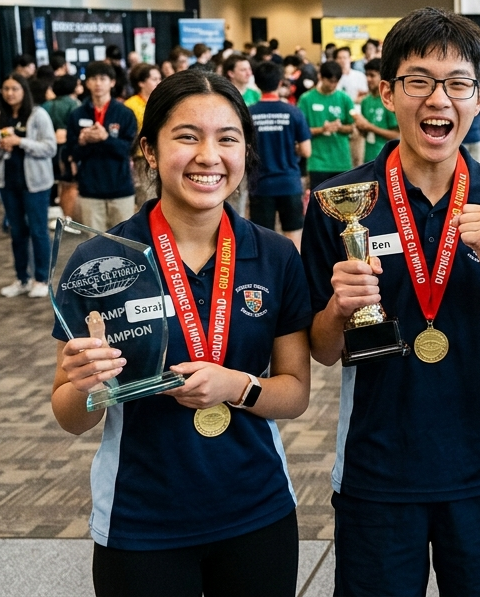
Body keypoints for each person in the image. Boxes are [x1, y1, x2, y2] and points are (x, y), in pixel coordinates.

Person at [301, 8, 480, 596]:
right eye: (419, 81)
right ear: (386, 92)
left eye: (458, 83)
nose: (439, 99)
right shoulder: (338, 201)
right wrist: (337, 308)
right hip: (376, 468)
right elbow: (324, 352)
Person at [51, 69, 313, 597]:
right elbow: (70, 418)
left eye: (227, 138)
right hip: (141, 518)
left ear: (245, 153)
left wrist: (235, 386)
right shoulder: (101, 260)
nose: (208, 156)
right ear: (149, 150)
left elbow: (295, 393)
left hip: (256, 509)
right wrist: (82, 386)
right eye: (187, 136)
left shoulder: (276, 255)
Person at [0, 77, 55, 299]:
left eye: (15, 88)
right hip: (8, 184)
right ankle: (22, 279)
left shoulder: (38, 115)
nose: (10, 93)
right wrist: (1, 146)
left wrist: (21, 142)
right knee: (17, 233)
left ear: (24, 91)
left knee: (38, 231)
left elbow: (50, 147)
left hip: (36, 184)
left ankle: (42, 279)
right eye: (5, 88)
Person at [66, 62, 138, 232]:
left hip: (120, 188)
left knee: (124, 242)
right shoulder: (77, 114)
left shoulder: (124, 113)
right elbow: (72, 153)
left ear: (112, 82)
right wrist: (83, 141)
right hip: (90, 190)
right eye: (93, 79)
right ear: (87, 83)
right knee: (95, 245)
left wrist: (105, 138)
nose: (98, 83)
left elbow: (130, 150)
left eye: (103, 79)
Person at [248, 62, 312, 249]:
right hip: (289, 183)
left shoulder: (249, 113)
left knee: (262, 239)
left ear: (257, 83)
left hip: (260, 185)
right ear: (279, 83)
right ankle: (294, 277)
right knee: (293, 238)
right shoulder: (293, 112)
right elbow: (307, 150)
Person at [297, 61, 356, 190]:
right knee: (318, 205)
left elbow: (352, 127)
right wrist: (322, 129)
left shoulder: (344, 98)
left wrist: (339, 127)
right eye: (330, 81)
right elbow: (301, 131)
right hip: (318, 162)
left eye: (336, 82)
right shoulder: (306, 99)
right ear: (321, 77)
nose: (332, 85)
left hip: (342, 161)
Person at [45, 76, 82, 221]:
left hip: (49, 149)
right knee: (69, 184)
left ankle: (55, 213)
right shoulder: (74, 105)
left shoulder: (47, 105)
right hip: (67, 149)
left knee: (55, 182)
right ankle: (67, 218)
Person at [126, 64, 162, 206]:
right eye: (154, 79)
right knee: (147, 197)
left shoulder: (160, 102)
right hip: (141, 159)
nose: (158, 82)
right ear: (141, 83)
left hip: (162, 156)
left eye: (159, 78)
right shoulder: (131, 105)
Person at [353, 58, 399, 163]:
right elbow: (365, 133)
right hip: (369, 159)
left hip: (389, 159)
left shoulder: (389, 100)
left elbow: (397, 135)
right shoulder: (365, 101)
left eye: (372, 75)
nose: (368, 79)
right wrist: (360, 126)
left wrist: (370, 127)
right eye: (367, 75)